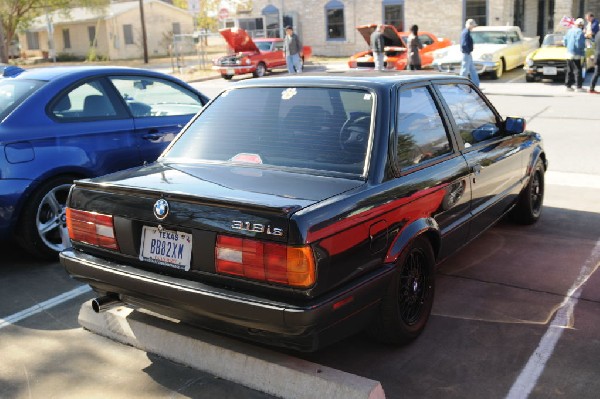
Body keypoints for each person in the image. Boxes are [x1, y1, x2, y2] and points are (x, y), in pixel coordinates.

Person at [564, 18, 586, 92]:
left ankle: (568, 86)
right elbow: (579, 43)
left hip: (568, 52)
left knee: (569, 69)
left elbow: (565, 41)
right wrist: (582, 49)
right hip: (576, 52)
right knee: (578, 69)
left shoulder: (569, 30)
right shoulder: (579, 31)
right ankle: (578, 87)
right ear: (581, 25)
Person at [460, 19, 480, 87]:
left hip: (468, 53)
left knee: (472, 70)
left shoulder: (467, 32)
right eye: (473, 26)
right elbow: (463, 44)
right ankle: (460, 84)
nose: (473, 27)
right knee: (464, 70)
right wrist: (468, 51)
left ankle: (476, 85)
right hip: (466, 53)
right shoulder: (465, 32)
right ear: (470, 25)